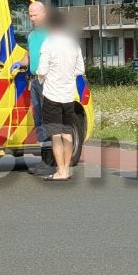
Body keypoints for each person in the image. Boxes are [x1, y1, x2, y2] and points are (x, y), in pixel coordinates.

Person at [35, 11, 85, 181]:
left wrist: (41, 78)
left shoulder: (48, 43)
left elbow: (42, 70)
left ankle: (61, 170)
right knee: (67, 132)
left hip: (52, 95)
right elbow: (80, 70)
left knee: (55, 134)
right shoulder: (73, 44)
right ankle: (67, 171)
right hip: (69, 95)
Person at [16, 1, 55, 176]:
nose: (32, 18)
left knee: (48, 120)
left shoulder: (52, 33)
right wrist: (18, 64)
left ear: (44, 13)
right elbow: (28, 57)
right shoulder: (32, 35)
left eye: (35, 15)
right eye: (30, 15)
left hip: (48, 81)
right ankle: (44, 160)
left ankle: (51, 162)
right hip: (35, 81)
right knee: (39, 121)